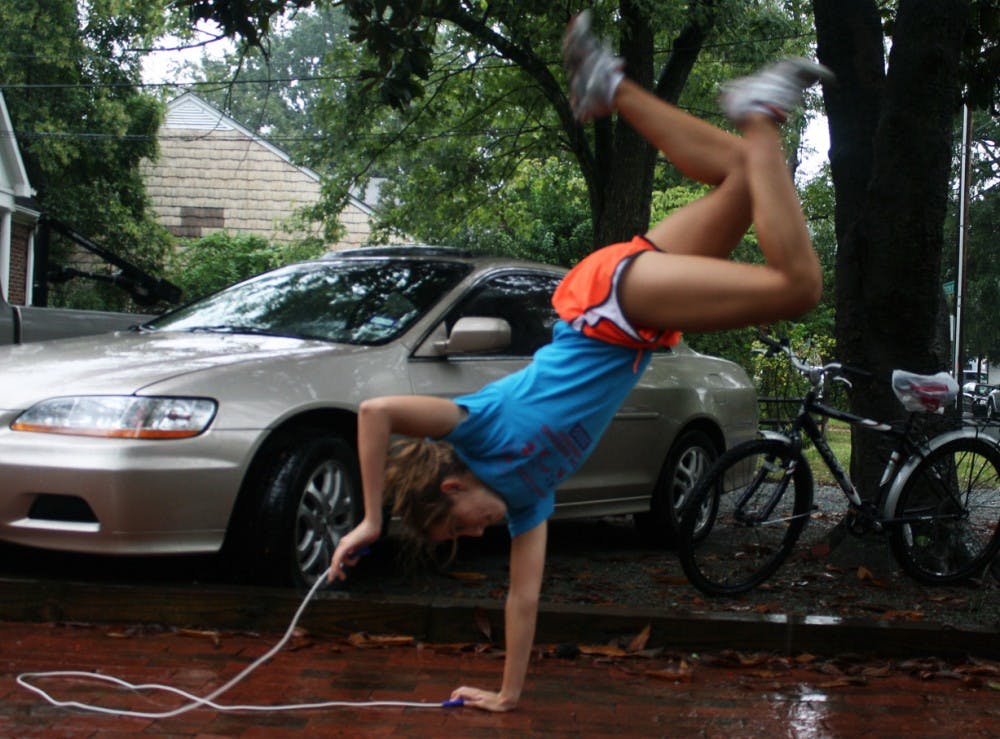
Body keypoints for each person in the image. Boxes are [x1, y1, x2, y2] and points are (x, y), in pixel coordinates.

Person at [329, 10, 831, 712]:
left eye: (459, 526)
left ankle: (758, 108)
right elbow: (523, 597)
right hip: (624, 306)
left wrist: (372, 519)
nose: (477, 533)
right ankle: (610, 85)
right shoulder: (529, 500)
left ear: (448, 489)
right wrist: (505, 693)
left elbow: (377, 409)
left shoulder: (475, 426)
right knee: (747, 177)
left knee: (798, 287)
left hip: (615, 306)